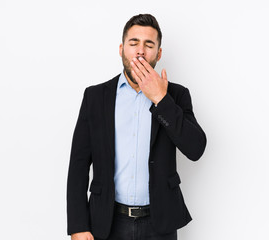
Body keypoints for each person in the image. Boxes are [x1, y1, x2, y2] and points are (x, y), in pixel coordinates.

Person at [67, 13, 206, 240]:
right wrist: (78, 226)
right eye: (134, 43)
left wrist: (161, 99)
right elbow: (78, 165)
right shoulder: (95, 97)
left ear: (158, 53)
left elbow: (196, 149)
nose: (140, 50)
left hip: (159, 223)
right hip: (108, 222)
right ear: (122, 49)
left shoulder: (176, 96)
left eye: (148, 44)